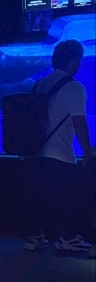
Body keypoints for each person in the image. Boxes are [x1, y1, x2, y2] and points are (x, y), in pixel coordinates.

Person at [23, 39, 94, 257]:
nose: (79, 64)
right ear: (73, 61)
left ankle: (34, 238)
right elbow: (79, 122)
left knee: (37, 199)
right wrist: (88, 152)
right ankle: (68, 239)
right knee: (69, 199)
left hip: (35, 153)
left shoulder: (39, 84)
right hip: (60, 154)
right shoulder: (75, 87)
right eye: (79, 60)